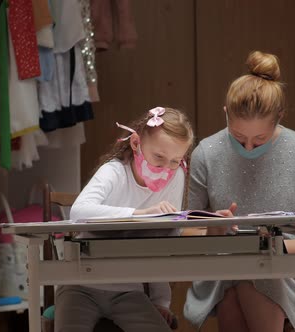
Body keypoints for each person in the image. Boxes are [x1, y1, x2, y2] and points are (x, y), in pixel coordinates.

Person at [183, 51, 295, 332]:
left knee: (253, 277)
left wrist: (269, 247)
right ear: (225, 114)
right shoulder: (207, 152)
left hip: (292, 268)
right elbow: (187, 231)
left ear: (280, 117)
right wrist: (213, 230)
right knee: (239, 276)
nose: (249, 148)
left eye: (260, 139)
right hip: (228, 263)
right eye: (239, 138)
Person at [56, 106, 194, 332]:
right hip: (80, 284)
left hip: (128, 289)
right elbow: (79, 211)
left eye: (175, 160)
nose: (165, 169)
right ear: (136, 143)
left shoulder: (176, 176)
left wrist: (160, 301)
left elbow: (163, 241)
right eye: (159, 157)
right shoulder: (114, 172)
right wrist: (139, 215)